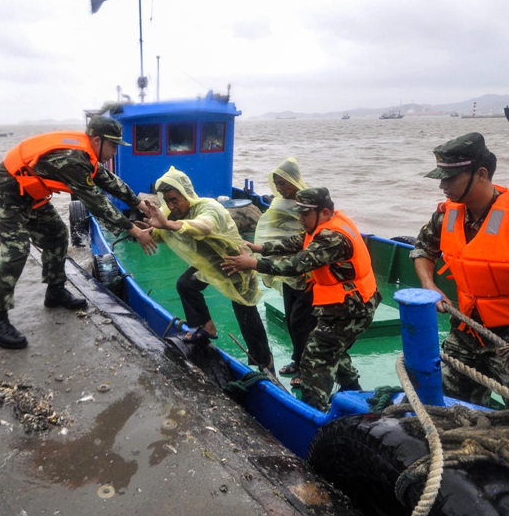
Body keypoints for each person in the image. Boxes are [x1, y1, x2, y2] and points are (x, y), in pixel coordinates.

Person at [411, 132, 509, 407]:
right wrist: (429, 286)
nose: (442, 186)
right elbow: (422, 249)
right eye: (441, 178)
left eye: (450, 178)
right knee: (440, 400)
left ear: (481, 174)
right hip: (466, 327)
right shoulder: (447, 214)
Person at [0, 115, 157, 349]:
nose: (115, 152)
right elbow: (96, 201)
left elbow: (110, 182)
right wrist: (134, 230)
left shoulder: (89, 157)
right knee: (16, 249)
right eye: (113, 145)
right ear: (97, 140)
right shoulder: (73, 159)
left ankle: (55, 292)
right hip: (5, 192)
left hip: (29, 195)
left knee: (57, 234)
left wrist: (140, 205)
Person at [223, 188, 380, 413]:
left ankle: (313, 412)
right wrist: (261, 248)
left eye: (305, 215)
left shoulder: (332, 237)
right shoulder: (329, 223)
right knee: (333, 349)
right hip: (348, 303)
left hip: (351, 308)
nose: (300, 220)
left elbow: (297, 265)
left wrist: (254, 263)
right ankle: (353, 390)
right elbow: (300, 241)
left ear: (324, 212)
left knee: (314, 359)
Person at [141, 167, 274, 371]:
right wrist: (151, 231)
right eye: (167, 200)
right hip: (211, 265)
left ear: (186, 194)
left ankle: (264, 363)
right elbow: (166, 231)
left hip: (236, 264)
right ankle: (205, 326)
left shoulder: (210, 208)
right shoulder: (172, 213)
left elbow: (205, 227)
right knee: (186, 285)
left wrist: (167, 224)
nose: (171, 205)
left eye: (175, 199)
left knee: (246, 314)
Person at [252, 158, 316, 388]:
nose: (279, 188)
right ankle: (297, 360)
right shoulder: (281, 201)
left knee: (302, 322)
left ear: (293, 181)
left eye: (283, 183)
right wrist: (261, 248)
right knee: (291, 319)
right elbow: (274, 228)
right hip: (289, 271)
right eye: (276, 184)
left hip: (307, 272)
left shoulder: (309, 202)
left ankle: (305, 369)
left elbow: (309, 237)